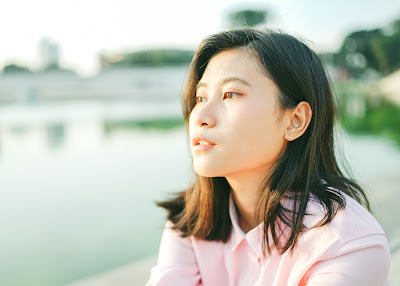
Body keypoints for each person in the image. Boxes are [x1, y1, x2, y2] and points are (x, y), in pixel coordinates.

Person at [146, 28, 391, 286]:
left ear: (295, 121)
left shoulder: (347, 246)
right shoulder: (191, 219)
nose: (200, 116)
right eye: (200, 97)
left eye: (230, 94)